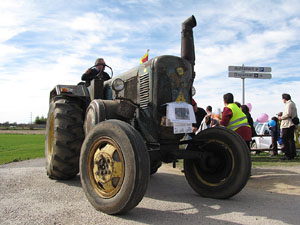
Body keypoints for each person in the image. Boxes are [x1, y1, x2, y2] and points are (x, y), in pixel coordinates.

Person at [278, 93, 298, 160]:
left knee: (285, 139)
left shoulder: (288, 104)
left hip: (287, 124)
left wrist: (281, 117)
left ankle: (288, 154)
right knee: (291, 140)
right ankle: (292, 154)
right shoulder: (293, 103)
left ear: (284, 99)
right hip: (291, 124)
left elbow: (288, 114)